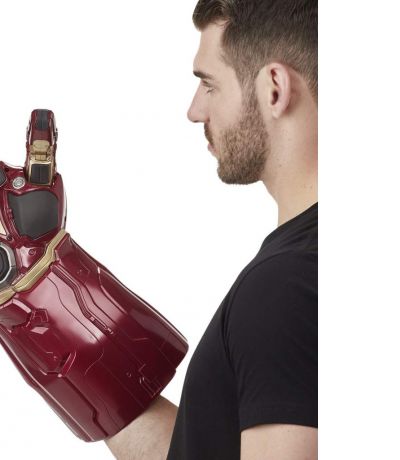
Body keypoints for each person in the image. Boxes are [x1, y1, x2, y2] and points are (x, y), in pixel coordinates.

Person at [104, 0, 318, 458]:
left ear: (274, 89)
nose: (194, 110)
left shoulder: (286, 286)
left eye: (208, 83)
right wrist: (36, 302)